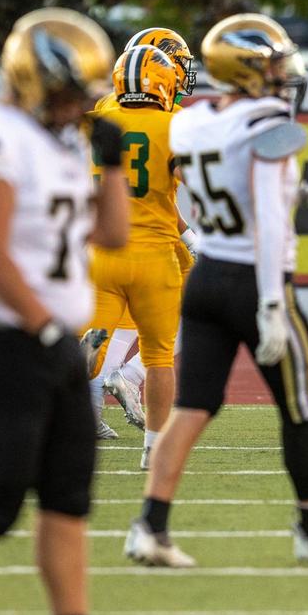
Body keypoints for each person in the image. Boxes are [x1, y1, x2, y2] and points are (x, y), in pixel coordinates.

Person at [124, 13, 308, 566]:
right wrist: (270, 304)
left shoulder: (192, 122)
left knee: (192, 407)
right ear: (246, 70)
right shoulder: (266, 119)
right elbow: (266, 214)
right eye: (273, 64)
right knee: (303, 407)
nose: (284, 74)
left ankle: (149, 526)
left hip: (207, 278)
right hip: (255, 280)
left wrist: (304, 192)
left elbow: (224, 190)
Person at [0, 7, 128, 615]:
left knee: (68, 498)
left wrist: (113, 167)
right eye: (71, 93)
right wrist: (45, 329)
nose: (78, 107)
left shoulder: (60, 143)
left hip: (55, 339)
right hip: (1, 339)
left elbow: (112, 234)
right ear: (34, 79)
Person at [88, 27, 199, 452]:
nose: (182, 73)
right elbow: (169, 185)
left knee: (109, 323)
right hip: (153, 240)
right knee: (189, 316)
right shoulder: (171, 122)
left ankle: (92, 401)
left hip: (104, 237)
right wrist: (191, 234)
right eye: (176, 64)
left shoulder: (104, 111)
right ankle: (130, 382)